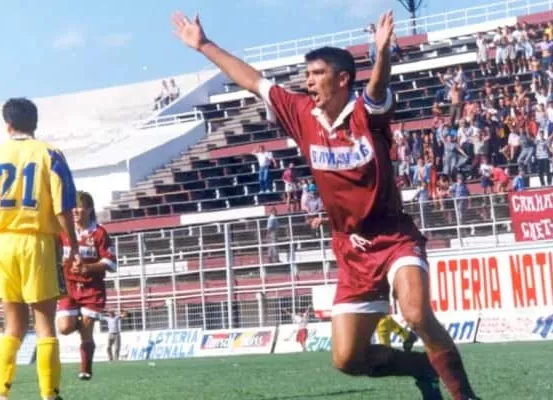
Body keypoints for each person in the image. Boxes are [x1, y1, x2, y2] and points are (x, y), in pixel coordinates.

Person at [171, 9, 480, 400]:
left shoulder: (366, 114)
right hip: (351, 247)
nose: (309, 81)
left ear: (342, 79)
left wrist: (382, 53)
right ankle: (421, 367)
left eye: (317, 74)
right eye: (307, 74)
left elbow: (379, 86)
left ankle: (465, 396)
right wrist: (204, 45)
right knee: (348, 359)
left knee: (417, 314)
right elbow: (252, 80)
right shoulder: (301, 113)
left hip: (393, 237)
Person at [0, 98, 79, 400]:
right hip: (37, 242)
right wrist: (73, 245)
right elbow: (63, 206)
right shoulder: (49, 154)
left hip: (2, 243)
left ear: (8, 125)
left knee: (12, 326)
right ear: (35, 124)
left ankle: (0, 394)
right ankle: (49, 394)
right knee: (44, 324)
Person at [56, 191, 117, 380]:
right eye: (72, 207)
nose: (74, 211)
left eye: (79, 207)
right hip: (68, 287)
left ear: (89, 209)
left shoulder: (99, 232)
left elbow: (111, 263)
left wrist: (88, 267)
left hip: (92, 288)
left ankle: (86, 369)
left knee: (87, 329)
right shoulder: (62, 231)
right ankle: (79, 323)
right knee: (64, 328)